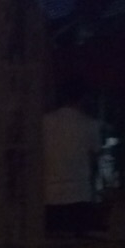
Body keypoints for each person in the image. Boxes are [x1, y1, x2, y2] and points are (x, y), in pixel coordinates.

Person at [42, 83, 102, 236]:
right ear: (83, 98)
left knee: (53, 239)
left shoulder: (45, 122)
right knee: (78, 241)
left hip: (50, 192)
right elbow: (94, 158)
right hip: (80, 192)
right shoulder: (90, 124)